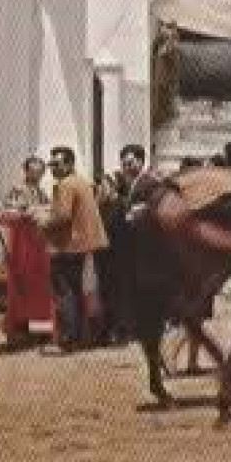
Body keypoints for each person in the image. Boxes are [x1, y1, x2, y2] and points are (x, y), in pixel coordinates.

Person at [45, 147, 109, 351]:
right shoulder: (82, 181)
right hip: (84, 243)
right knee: (76, 290)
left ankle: (67, 339)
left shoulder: (65, 185)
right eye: (52, 164)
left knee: (64, 292)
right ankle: (80, 336)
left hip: (70, 245)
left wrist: (41, 221)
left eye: (57, 164)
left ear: (69, 164)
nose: (53, 168)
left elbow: (62, 216)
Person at [95, 145, 147, 345]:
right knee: (120, 293)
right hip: (118, 255)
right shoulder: (114, 202)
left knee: (122, 293)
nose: (126, 167)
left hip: (123, 254)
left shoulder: (143, 186)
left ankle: (124, 331)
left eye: (130, 162)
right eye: (124, 163)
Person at [0, 157, 54, 347]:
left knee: (39, 289)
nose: (38, 175)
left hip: (38, 246)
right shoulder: (17, 189)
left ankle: (39, 329)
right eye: (34, 170)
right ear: (26, 170)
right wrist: (25, 212)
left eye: (40, 171)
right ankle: (20, 329)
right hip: (21, 245)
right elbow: (8, 211)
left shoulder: (41, 191)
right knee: (21, 287)